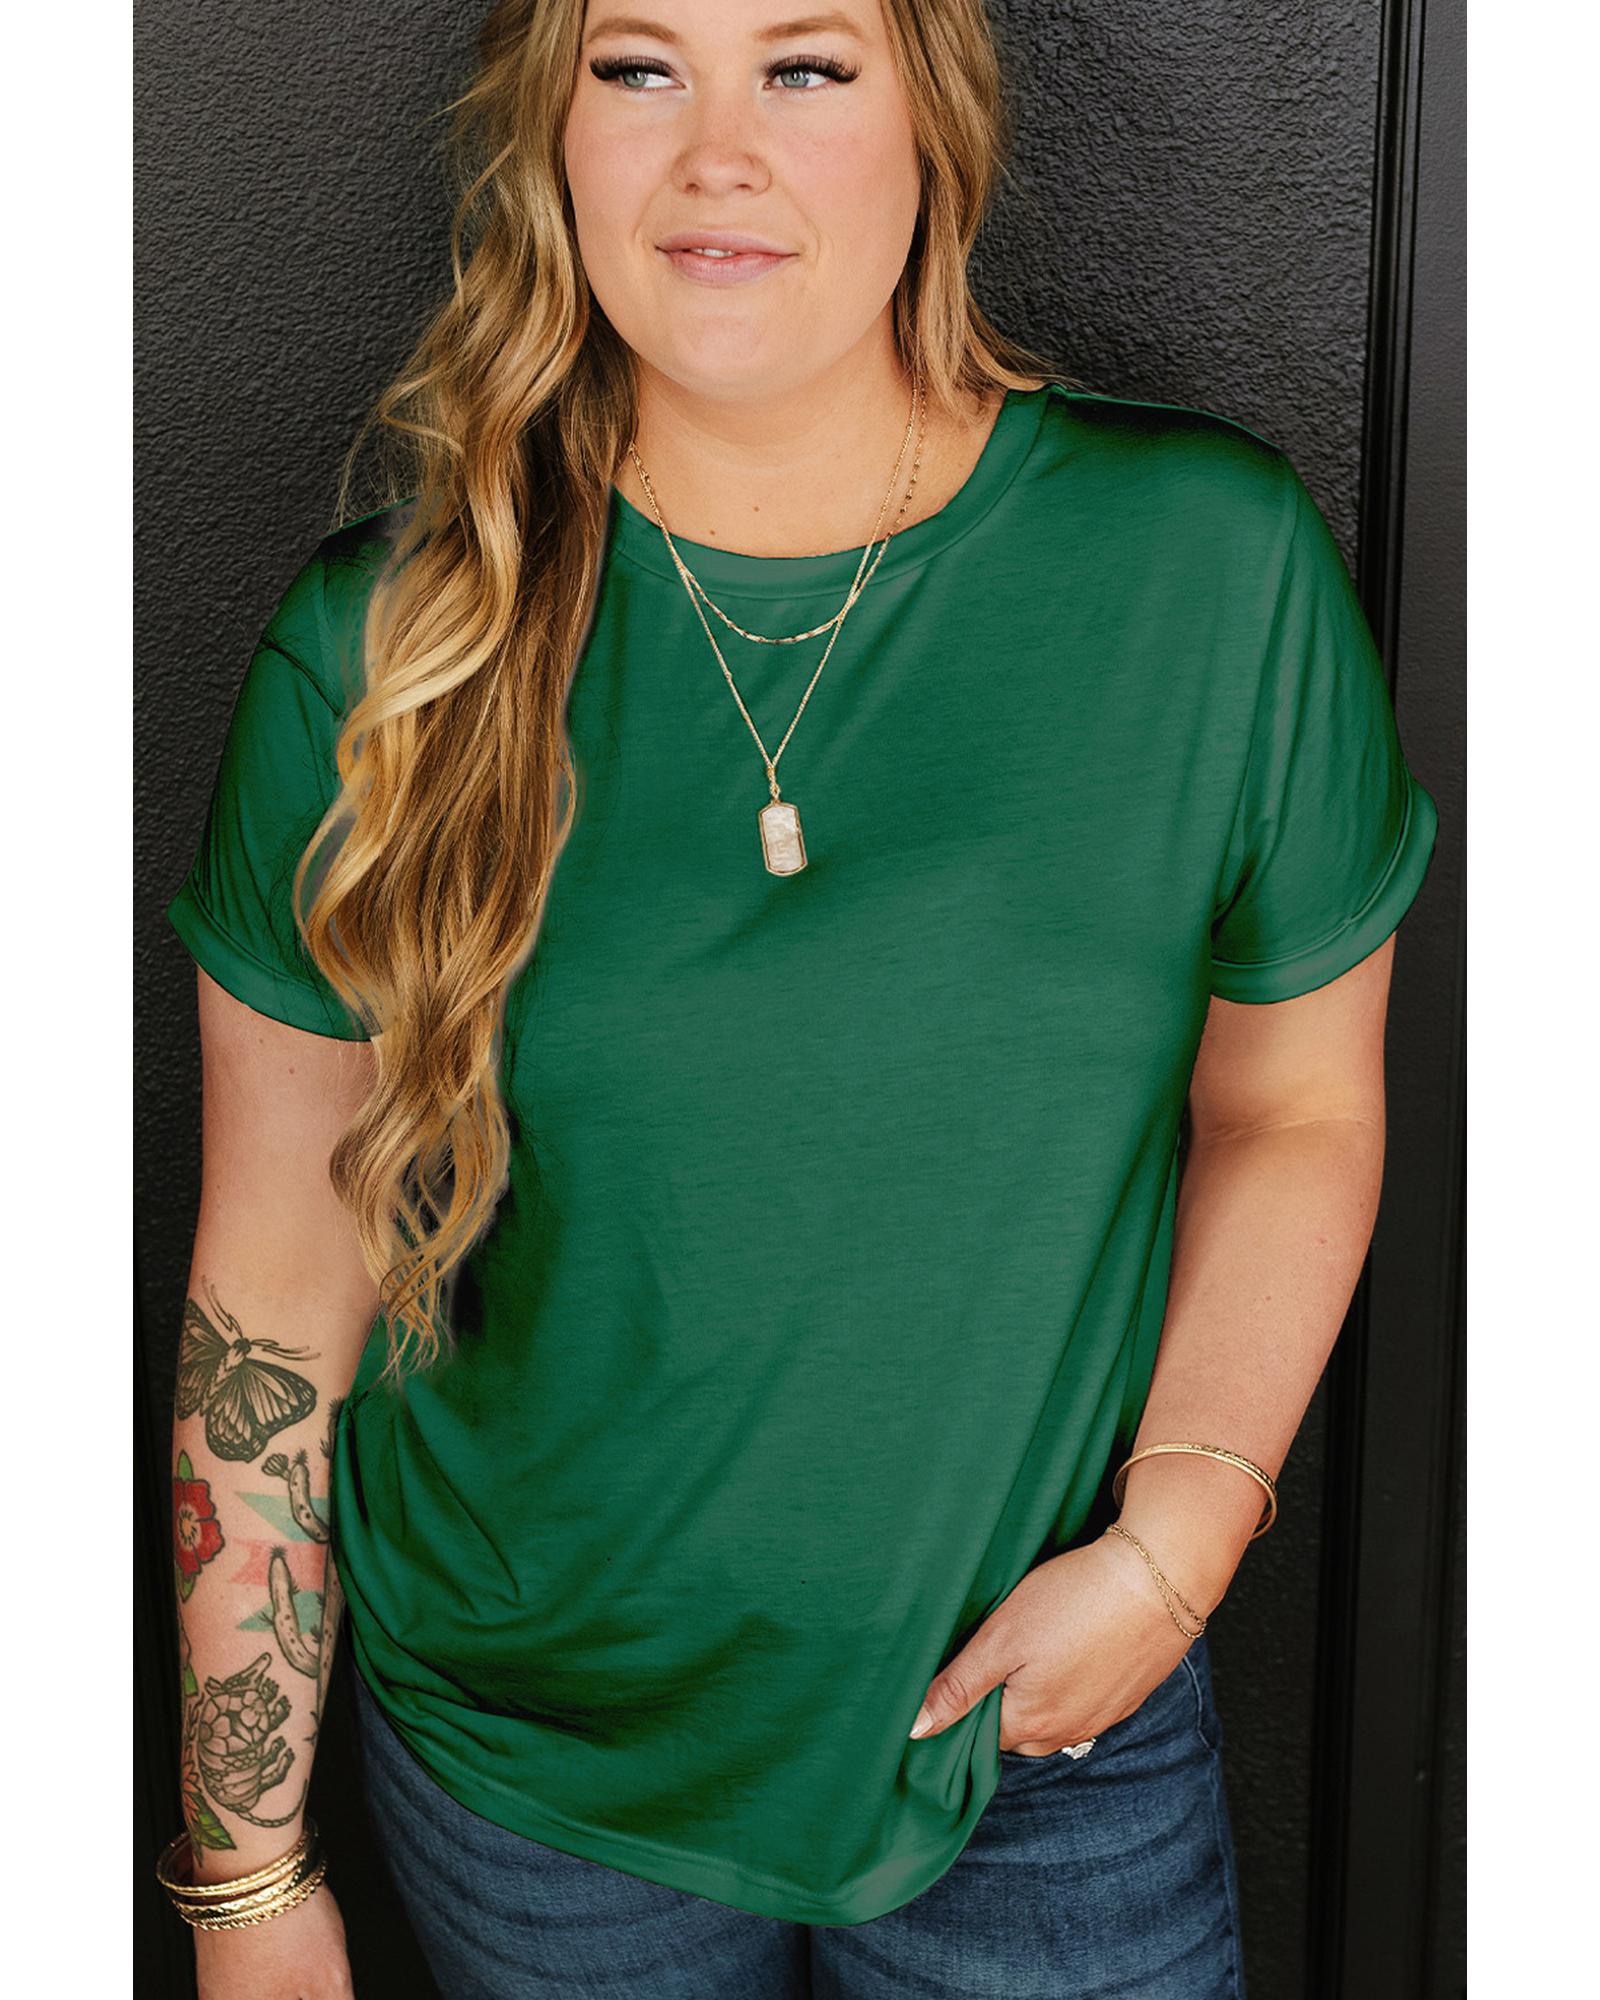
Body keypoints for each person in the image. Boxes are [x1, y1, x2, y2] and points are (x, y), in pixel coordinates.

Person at [155, 1, 1439, 1995]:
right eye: (638, 67)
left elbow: (1294, 1105)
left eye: (808, 67)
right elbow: (275, 1274)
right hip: (533, 1770)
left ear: (935, 120)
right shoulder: (383, 649)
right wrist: (245, 1879)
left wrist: (1175, 1542)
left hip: (1043, 1733)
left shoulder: (1204, 567)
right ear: (551, 133)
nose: (716, 154)